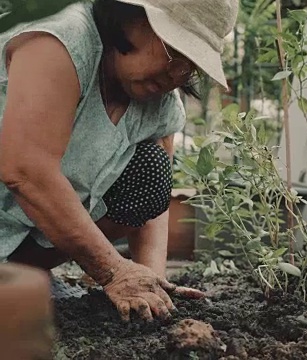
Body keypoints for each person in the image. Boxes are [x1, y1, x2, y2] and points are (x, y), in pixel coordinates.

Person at [0, 0, 239, 321]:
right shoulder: (62, 39)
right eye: (172, 51)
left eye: (188, 66)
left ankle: (19, 275)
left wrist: (148, 285)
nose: (174, 75)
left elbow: (155, 207)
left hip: (16, 246)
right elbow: (25, 171)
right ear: (127, 17)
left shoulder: (159, 105)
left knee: (150, 174)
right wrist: (113, 271)